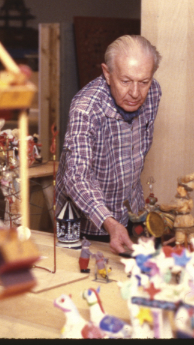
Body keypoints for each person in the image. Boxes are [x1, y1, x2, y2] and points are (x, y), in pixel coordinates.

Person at [55, 35, 162, 254]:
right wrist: (109, 222)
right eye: (125, 81)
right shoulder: (85, 108)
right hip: (85, 222)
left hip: (129, 212)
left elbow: (137, 154)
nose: (135, 93)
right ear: (107, 73)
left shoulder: (153, 93)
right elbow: (77, 176)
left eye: (144, 81)